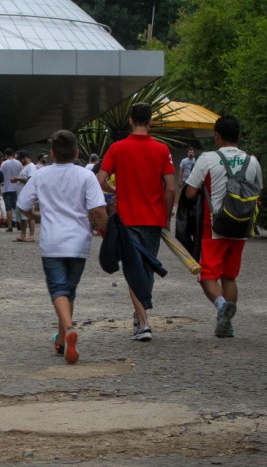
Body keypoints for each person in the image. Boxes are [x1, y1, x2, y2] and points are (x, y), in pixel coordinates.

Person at [17, 129, 108, 364]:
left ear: (51, 153)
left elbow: (23, 204)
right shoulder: (86, 176)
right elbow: (98, 210)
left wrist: (35, 215)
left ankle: (68, 330)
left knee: (58, 289)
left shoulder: (41, 175)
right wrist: (106, 231)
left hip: (52, 241)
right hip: (79, 241)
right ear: (77, 152)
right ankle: (61, 341)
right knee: (69, 290)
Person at [97, 102, 176, 342]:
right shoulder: (162, 150)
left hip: (127, 219)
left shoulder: (117, 148)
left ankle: (143, 323)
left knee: (134, 269)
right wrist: (166, 215)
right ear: (151, 121)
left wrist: (115, 190)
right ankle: (140, 317)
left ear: (130, 120)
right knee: (147, 269)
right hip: (153, 218)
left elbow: (98, 180)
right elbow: (171, 187)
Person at [185, 115, 263, 338]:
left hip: (214, 226)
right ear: (238, 135)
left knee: (206, 274)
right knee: (230, 276)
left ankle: (221, 306)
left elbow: (190, 192)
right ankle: (227, 325)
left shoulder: (208, 159)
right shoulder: (253, 161)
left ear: (216, 136)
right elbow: (258, 193)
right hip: (241, 227)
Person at [13, 150, 37, 242]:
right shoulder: (25, 167)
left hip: (28, 195)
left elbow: (30, 179)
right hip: (21, 194)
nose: (20, 161)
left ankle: (31, 235)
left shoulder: (31, 166)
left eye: (20, 159)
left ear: (25, 157)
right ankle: (22, 235)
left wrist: (17, 178)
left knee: (30, 216)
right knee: (23, 216)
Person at [0, 148, 22, 232]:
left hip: (7, 188)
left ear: (6, 155)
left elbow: (1, 175)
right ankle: (19, 221)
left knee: (8, 208)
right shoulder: (19, 163)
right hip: (17, 187)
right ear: (13, 153)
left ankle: (10, 226)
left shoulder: (4, 164)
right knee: (16, 206)